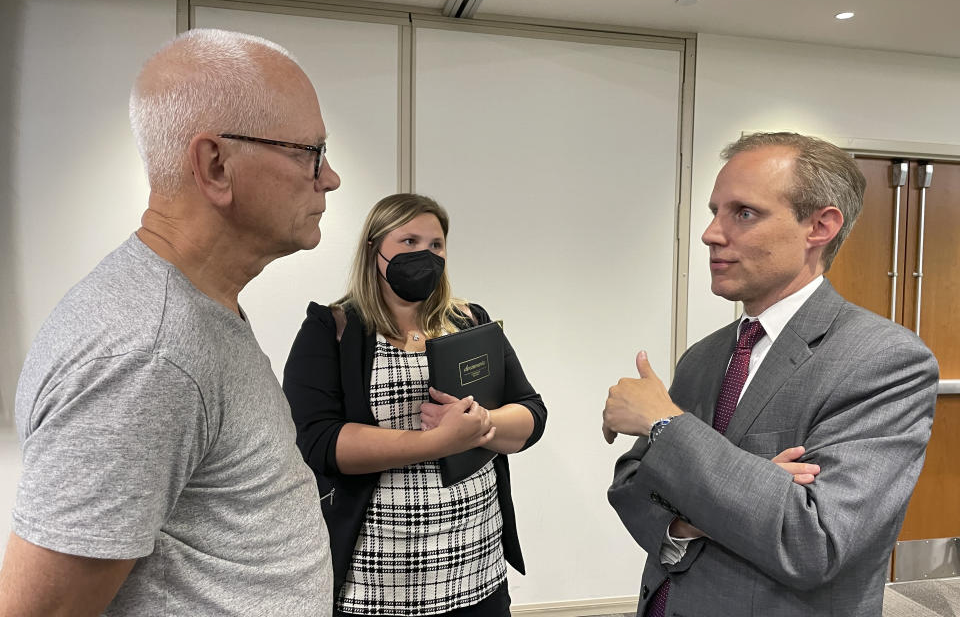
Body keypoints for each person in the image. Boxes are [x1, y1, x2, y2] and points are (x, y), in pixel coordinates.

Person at [0, 29, 341, 616]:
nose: (329, 177)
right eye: (308, 152)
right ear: (215, 165)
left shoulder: (199, 310)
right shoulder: (147, 354)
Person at [602, 132, 938, 617]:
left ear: (819, 226)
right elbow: (631, 487)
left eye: (744, 213)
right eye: (714, 212)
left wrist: (667, 426)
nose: (711, 234)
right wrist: (715, 509)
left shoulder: (885, 361)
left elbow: (813, 542)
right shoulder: (704, 357)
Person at [283, 193, 546, 617]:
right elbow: (319, 442)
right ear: (374, 249)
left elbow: (531, 413)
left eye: (436, 245)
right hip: (375, 584)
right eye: (409, 242)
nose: (426, 254)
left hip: (476, 571)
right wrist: (440, 442)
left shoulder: (470, 321)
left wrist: (482, 422)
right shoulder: (331, 329)